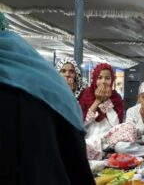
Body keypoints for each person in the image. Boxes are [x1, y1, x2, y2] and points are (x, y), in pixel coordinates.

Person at [0, 29, 94, 184]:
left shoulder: (65, 96)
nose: (67, 76)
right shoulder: (61, 93)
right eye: (63, 71)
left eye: (71, 72)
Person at [78, 63, 124, 160]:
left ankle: (106, 154)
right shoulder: (86, 94)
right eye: (100, 78)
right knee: (79, 147)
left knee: (123, 145)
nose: (103, 82)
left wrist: (106, 101)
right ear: (94, 79)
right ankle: (105, 155)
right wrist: (97, 101)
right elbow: (83, 124)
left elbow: (116, 124)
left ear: (112, 81)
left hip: (109, 139)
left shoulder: (116, 98)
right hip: (90, 138)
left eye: (107, 78)